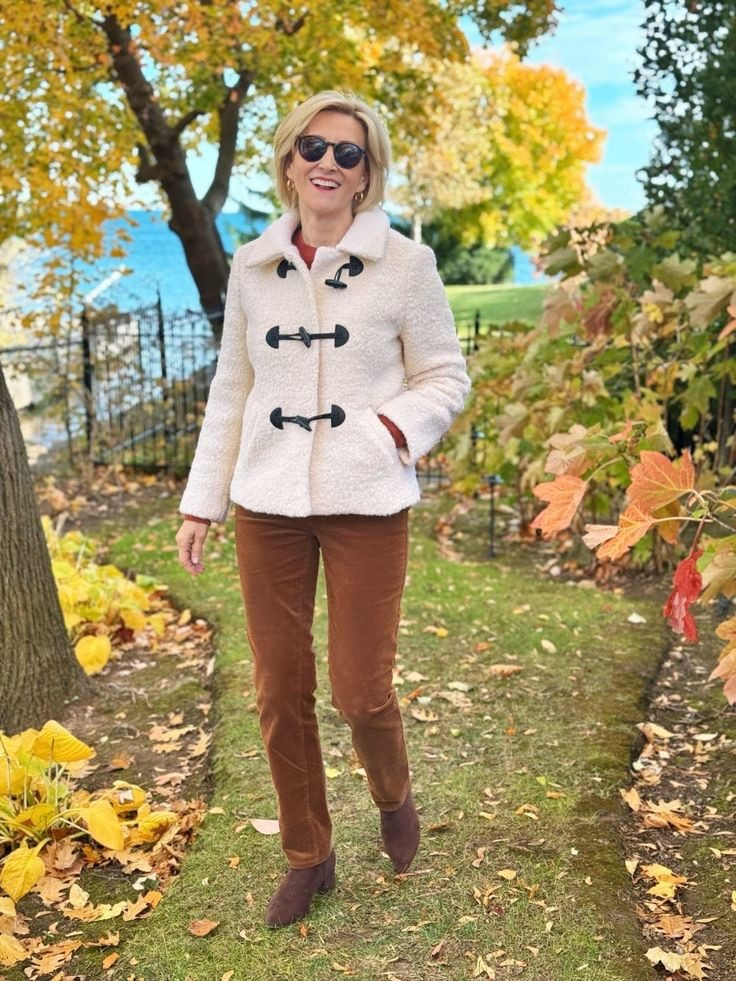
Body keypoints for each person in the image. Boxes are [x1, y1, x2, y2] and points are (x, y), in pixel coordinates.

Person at [175, 90, 471, 928]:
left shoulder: (406, 265)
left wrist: (387, 430)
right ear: (289, 160)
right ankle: (309, 851)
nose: (328, 163)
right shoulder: (251, 267)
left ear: (368, 172)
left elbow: (445, 376)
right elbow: (232, 388)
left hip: (367, 500)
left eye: (348, 152)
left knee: (361, 691)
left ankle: (394, 794)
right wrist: (202, 503)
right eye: (314, 146)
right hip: (266, 502)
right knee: (278, 689)